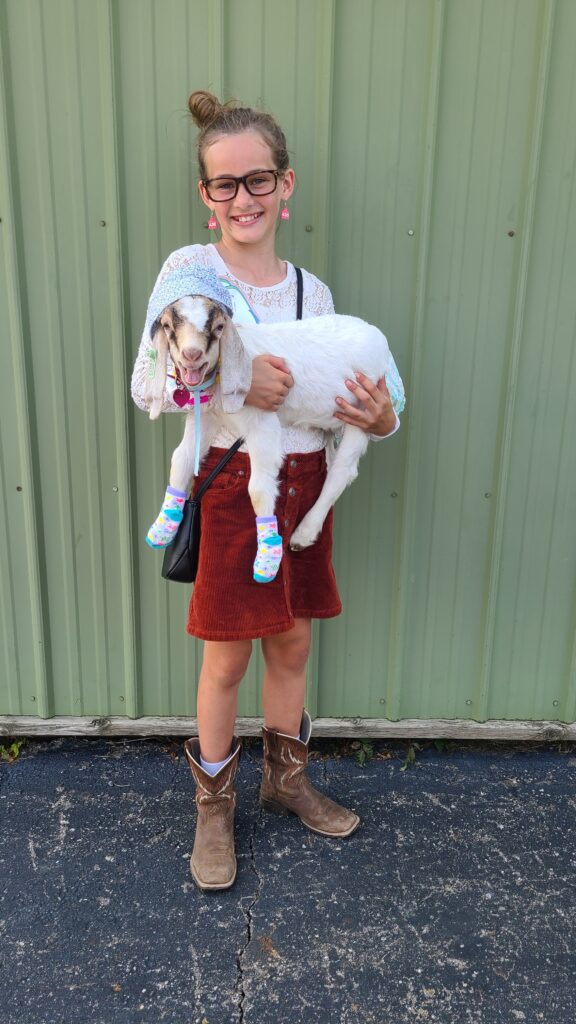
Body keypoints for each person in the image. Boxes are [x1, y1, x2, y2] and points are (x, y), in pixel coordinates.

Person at [131, 90, 402, 891]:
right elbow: (150, 385)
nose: (243, 198)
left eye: (259, 180)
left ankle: (285, 781)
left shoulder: (310, 293)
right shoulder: (189, 275)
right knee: (226, 657)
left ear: (286, 186)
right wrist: (240, 387)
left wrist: (381, 416)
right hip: (230, 491)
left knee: (292, 642)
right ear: (206, 197)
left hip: (305, 483)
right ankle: (213, 807)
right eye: (225, 184)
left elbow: (347, 396)